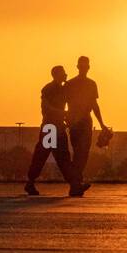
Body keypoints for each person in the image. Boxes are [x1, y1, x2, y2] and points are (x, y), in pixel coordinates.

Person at [24, 65, 81, 196]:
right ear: (56, 75)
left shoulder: (63, 90)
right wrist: (63, 113)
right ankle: (30, 182)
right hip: (50, 127)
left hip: (59, 127)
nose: (65, 75)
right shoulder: (48, 89)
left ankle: (74, 185)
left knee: (63, 157)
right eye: (63, 73)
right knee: (41, 156)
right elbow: (47, 108)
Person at [63, 55, 107, 192]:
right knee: (79, 153)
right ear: (78, 67)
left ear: (87, 67)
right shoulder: (71, 84)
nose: (83, 68)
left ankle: (76, 183)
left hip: (84, 122)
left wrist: (102, 124)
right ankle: (75, 184)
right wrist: (66, 118)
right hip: (77, 122)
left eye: (85, 66)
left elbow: (94, 105)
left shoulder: (89, 84)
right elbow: (63, 104)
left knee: (81, 153)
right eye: (82, 66)